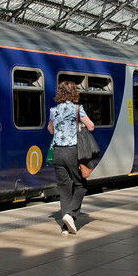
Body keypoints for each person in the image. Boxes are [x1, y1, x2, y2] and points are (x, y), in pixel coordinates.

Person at [48, 81, 94, 235]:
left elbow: (50, 129)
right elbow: (91, 126)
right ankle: (71, 214)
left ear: (60, 92)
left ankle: (64, 228)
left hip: (57, 153)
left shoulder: (54, 110)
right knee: (81, 185)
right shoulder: (77, 109)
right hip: (73, 152)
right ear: (74, 92)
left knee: (64, 189)